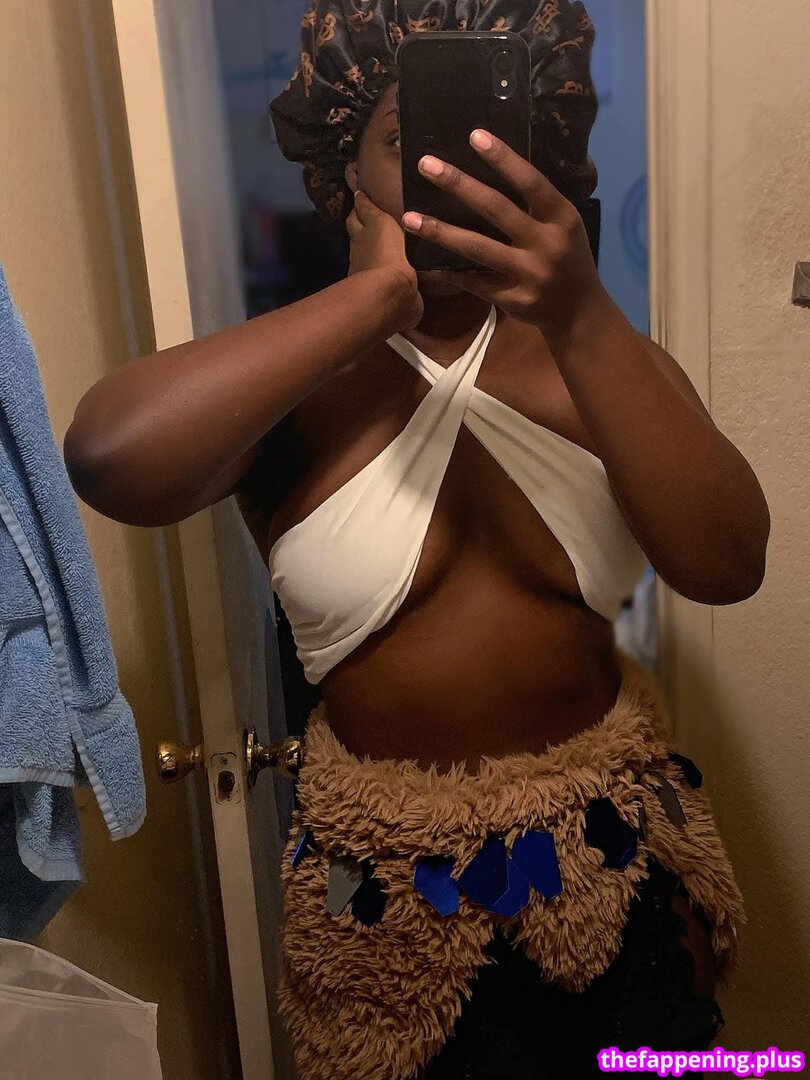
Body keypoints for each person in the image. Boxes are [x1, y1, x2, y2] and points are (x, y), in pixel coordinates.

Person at [64, 1, 769, 1076]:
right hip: (389, 921)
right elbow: (110, 456)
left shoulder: (595, 358)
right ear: (347, 170)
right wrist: (378, 297)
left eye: (491, 145)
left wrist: (579, 310)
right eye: (409, 142)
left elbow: (728, 564)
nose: (448, 174)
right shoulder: (299, 388)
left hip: (613, 885)